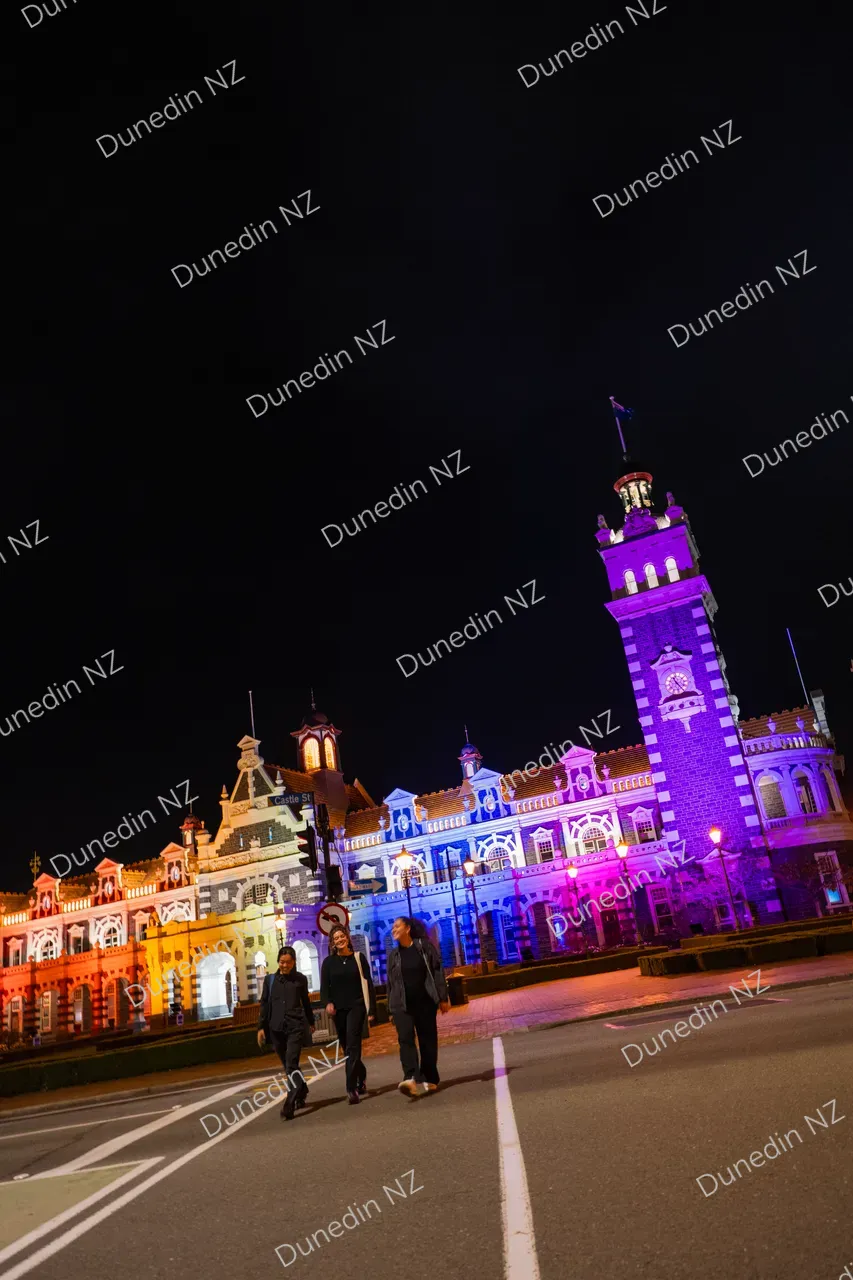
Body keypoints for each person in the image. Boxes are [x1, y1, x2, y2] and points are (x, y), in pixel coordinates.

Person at [387, 916, 450, 1096]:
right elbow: (390, 984)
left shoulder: (424, 947)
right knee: (405, 1040)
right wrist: (390, 1008)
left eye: (397, 926)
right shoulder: (394, 956)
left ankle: (430, 1077)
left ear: (407, 929)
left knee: (427, 1040)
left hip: (425, 1002)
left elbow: (437, 971)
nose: (393, 929)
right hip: (402, 1005)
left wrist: (443, 997)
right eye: (393, 927)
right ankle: (410, 1077)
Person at [320, 925, 376, 1105]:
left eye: (342, 936)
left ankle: (351, 1088)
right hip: (339, 1011)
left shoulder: (358, 958)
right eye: (336, 938)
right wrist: (328, 1003)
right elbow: (324, 988)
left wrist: (372, 1010)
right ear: (332, 942)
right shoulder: (328, 963)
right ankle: (361, 1074)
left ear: (347, 937)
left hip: (356, 1007)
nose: (340, 940)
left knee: (352, 1046)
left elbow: (369, 984)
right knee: (347, 1049)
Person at [257, 946, 315, 1120]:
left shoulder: (300, 979)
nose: (285, 965)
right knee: (288, 1066)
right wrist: (261, 1027)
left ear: (294, 962)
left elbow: (305, 1002)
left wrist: (311, 1021)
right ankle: (302, 1089)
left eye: (288, 962)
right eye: (282, 962)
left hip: (295, 1027)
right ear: (278, 962)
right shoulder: (270, 980)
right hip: (276, 1029)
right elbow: (264, 1004)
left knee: (291, 1063)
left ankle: (289, 1103)